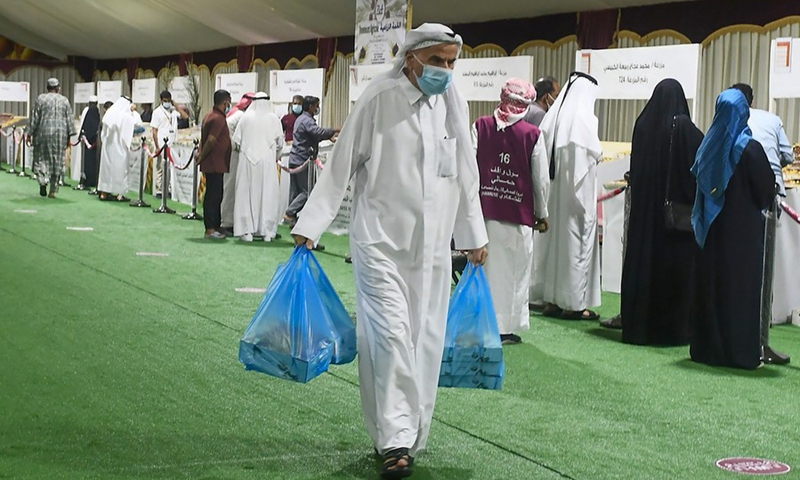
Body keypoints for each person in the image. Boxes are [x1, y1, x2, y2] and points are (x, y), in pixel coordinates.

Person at [291, 23, 488, 479]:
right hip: (379, 243)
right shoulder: (380, 98)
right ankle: (395, 439)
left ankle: (410, 434)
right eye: (437, 60)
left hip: (433, 248)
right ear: (412, 58)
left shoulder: (451, 105)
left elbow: (465, 171)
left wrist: (473, 235)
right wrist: (312, 224)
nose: (445, 70)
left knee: (425, 339)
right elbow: (341, 162)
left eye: (451, 62)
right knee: (391, 336)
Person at [689, 88, 776, 370]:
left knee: (711, 288)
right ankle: (739, 353)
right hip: (743, 238)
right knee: (739, 292)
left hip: (712, 234)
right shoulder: (749, 149)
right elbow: (766, 190)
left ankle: (705, 349)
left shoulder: (707, 146)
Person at [614, 79, 704, 343]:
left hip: (644, 220)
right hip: (674, 224)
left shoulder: (642, 125)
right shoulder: (685, 129)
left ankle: (639, 325)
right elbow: (697, 170)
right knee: (674, 275)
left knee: (643, 267)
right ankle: (673, 331)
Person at [473, 78, 549, 345]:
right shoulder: (532, 135)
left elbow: (470, 171)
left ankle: (480, 323)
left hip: (483, 215)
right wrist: (543, 213)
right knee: (513, 274)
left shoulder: (480, 126)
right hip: (517, 218)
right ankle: (503, 328)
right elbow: (540, 180)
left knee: (486, 270)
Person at [730, 83, 792, 365]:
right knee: (763, 273)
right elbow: (788, 156)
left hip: (732, 205)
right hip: (765, 201)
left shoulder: (727, 121)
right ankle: (759, 342)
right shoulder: (771, 119)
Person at [532, 71, 602, 320]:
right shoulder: (582, 120)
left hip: (553, 200)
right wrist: (586, 209)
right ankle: (574, 305)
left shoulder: (554, 118)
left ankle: (552, 300)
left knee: (553, 251)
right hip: (575, 202)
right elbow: (582, 171)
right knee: (575, 250)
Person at [231, 92, 284, 242]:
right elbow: (280, 144)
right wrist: (274, 156)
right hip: (267, 162)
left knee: (246, 195)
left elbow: (236, 142)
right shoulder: (274, 119)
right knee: (267, 194)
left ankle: (246, 230)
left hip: (247, 161)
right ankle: (267, 231)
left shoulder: (245, 118)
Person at [283, 95, 340, 231]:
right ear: (310, 106)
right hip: (303, 160)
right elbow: (317, 132)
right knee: (308, 191)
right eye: (316, 105)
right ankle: (290, 213)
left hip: (295, 159)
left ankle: (294, 222)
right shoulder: (307, 120)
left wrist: (328, 136)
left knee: (296, 192)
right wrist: (334, 130)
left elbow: (310, 136)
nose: (317, 108)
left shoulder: (301, 119)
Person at [27, 77, 75, 198]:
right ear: (58, 88)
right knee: (57, 161)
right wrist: (70, 136)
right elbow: (69, 120)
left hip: (43, 133)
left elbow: (35, 118)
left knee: (41, 158)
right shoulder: (64, 100)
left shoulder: (41, 98)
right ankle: (53, 190)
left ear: (47, 88)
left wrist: (29, 133)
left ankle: (43, 182)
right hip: (60, 134)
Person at [197, 89, 232, 240]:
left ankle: (216, 226)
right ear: (225, 103)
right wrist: (201, 157)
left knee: (217, 195)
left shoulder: (209, 116)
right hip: (214, 163)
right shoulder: (218, 118)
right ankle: (210, 229)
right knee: (213, 195)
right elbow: (211, 140)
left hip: (215, 163)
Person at [221, 93, 255, 234]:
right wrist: (237, 146)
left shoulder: (238, 114)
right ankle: (226, 222)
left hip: (234, 154)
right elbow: (229, 129)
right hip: (234, 155)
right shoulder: (240, 115)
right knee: (230, 188)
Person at [97, 96, 141, 202]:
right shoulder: (126, 116)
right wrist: (134, 111)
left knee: (106, 171)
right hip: (119, 149)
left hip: (108, 148)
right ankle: (120, 195)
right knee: (121, 171)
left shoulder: (110, 113)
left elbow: (103, 132)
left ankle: (104, 193)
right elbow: (138, 124)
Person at [150, 90, 188, 198]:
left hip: (172, 144)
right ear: (161, 101)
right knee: (160, 168)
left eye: (168, 100)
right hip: (161, 143)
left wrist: (175, 105)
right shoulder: (157, 112)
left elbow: (185, 116)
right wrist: (157, 146)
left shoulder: (173, 111)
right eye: (165, 101)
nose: (167, 102)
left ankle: (169, 189)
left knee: (170, 168)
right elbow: (154, 130)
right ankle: (159, 190)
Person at [77, 95, 101, 189]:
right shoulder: (91, 111)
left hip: (90, 141)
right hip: (89, 141)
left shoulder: (91, 111)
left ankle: (90, 180)